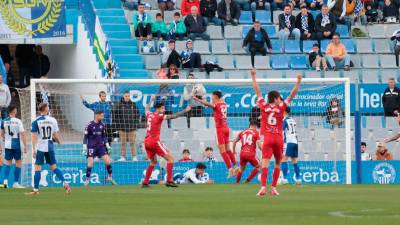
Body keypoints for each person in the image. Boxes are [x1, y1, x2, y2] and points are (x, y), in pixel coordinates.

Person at [250, 68, 301, 196]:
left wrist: (253, 76)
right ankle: (273, 188)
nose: (280, 99)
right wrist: (298, 82)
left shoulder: (264, 105)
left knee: (265, 164)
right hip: (278, 139)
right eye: (279, 97)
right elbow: (292, 94)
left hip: (267, 139)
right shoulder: (281, 107)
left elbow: (257, 90)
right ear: (276, 98)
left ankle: (263, 188)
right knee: (278, 164)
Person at [142, 96, 191, 187]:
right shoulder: (159, 116)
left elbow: (146, 108)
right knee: (171, 159)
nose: (164, 110)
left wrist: (151, 100)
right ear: (158, 109)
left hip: (147, 141)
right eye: (162, 108)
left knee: (153, 162)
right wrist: (185, 110)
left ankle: (145, 182)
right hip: (154, 141)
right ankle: (169, 180)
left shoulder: (149, 114)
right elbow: (174, 116)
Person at [26, 103, 71, 195]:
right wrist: (59, 142)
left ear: (39, 110)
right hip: (50, 147)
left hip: (41, 147)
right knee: (54, 167)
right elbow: (55, 135)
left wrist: (34, 149)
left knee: (37, 168)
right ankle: (65, 183)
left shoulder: (36, 121)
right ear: (46, 109)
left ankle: (35, 190)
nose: (49, 108)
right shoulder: (53, 120)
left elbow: (34, 136)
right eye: (48, 107)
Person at [193, 91, 237, 177]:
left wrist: (197, 99)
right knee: (228, 149)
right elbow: (214, 102)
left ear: (215, 96)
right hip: (226, 128)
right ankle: (235, 166)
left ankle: (230, 169)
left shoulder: (216, 105)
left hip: (220, 130)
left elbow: (208, 104)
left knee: (222, 151)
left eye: (212, 96)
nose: (211, 98)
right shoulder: (223, 103)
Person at [83, 111, 117, 186]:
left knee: (108, 161)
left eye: (103, 116)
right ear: (96, 115)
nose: (102, 117)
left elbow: (104, 136)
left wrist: (107, 146)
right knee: (90, 163)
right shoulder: (89, 125)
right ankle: (87, 180)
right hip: (91, 147)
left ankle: (110, 177)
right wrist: (84, 147)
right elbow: (85, 137)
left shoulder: (102, 125)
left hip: (101, 147)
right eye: (101, 116)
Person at [1, 105, 27, 188]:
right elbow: (22, 134)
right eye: (16, 109)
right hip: (16, 144)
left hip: (7, 145)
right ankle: (15, 183)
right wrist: (25, 146)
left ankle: (5, 182)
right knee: (18, 162)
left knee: (8, 163)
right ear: (14, 111)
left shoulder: (4, 121)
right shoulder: (18, 121)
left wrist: (4, 140)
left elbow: (1, 134)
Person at [114, 91, 140, 162]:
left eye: (128, 96)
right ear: (123, 96)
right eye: (126, 96)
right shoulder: (119, 105)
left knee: (132, 142)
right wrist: (118, 126)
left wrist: (135, 125)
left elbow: (137, 115)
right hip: (122, 128)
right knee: (123, 143)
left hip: (131, 128)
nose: (127, 97)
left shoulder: (133, 104)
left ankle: (134, 157)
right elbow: (115, 116)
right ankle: (123, 157)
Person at [280, 107, 301, 185]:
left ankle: (284, 179)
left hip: (288, 142)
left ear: (284, 111)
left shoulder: (284, 120)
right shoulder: (293, 120)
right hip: (295, 142)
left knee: (284, 159)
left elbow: (282, 132)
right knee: (294, 161)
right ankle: (298, 179)